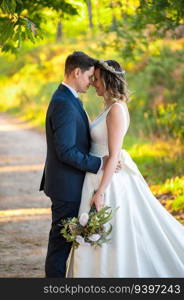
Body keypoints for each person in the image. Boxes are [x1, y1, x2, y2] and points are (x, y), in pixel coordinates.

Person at [66, 59, 184, 278]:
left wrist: (100, 191)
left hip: (108, 182)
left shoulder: (116, 111)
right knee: (94, 236)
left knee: (109, 236)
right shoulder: (108, 107)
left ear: (109, 81)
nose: (93, 83)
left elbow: (114, 156)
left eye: (97, 79)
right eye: (92, 78)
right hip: (94, 175)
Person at [39, 51, 109, 278]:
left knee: (63, 242)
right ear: (77, 72)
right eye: (89, 76)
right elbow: (66, 151)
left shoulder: (68, 98)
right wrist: (99, 163)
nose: (91, 82)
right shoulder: (64, 103)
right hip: (66, 187)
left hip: (69, 183)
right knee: (60, 245)